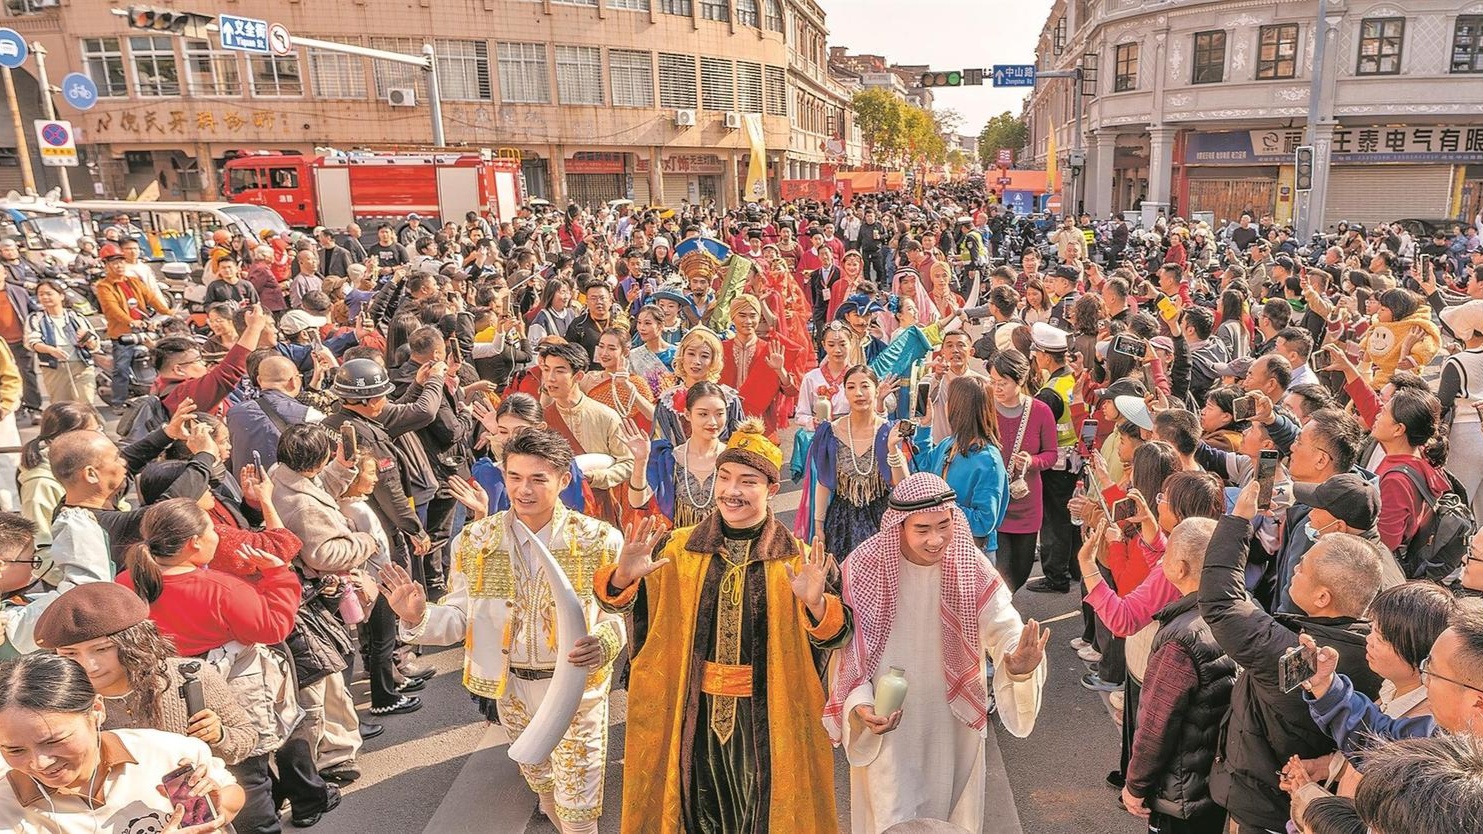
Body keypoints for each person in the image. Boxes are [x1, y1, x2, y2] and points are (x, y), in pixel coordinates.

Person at [594, 419, 850, 833]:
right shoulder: (677, 549)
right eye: (725, 477)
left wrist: (816, 604)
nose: (732, 490)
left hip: (770, 718)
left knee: (763, 815)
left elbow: (839, 636)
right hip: (690, 714)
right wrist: (623, 578)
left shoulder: (801, 560)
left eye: (747, 482)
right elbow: (619, 604)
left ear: (771, 489)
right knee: (693, 812)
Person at [380, 427, 626, 834]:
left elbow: (616, 615)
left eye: (537, 479)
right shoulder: (476, 539)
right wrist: (417, 617)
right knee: (542, 783)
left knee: (579, 805)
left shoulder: (598, 539)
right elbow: (460, 618)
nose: (523, 490)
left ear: (564, 479)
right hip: (510, 688)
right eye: (515, 477)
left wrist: (604, 642)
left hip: (575, 690)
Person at [828, 472, 1047, 833]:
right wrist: (860, 704)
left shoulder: (968, 562)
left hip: (949, 722)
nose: (936, 539)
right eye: (922, 529)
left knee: (947, 817)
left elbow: (1004, 621)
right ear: (899, 526)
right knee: (892, 814)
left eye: (944, 526)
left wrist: (1017, 661)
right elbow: (849, 652)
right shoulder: (864, 566)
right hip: (889, 720)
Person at [1200, 478, 1390, 834]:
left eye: (1304, 567)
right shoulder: (1370, 649)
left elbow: (1222, 603)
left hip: (1263, 803)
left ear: (1323, 598)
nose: (1295, 566)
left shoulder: (1303, 656)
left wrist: (1238, 520)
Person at [0, 652, 245, 834]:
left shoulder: (168, 751)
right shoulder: (5, 806)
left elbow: (231, 792)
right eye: (14, 749)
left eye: (55, 740)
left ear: (97, 710)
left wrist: (213, 810)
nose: (40, 763)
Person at [34, 581, 257, 771]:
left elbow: (247, 737)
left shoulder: (191, 676)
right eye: (70, 654)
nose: (88, 666)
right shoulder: (55, 701)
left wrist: (219, 736)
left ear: (134, 642)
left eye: (102, 649)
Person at [1120, 518, 1236, 834]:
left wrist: (1135, 785)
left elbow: (1157, 724)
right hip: (1216, 780)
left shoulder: (1180, 641)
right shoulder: (1239, 609)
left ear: (1180, 568)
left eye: (1167, 553)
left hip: (1180, 791)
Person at [808, 365, 910, 561]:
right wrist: (818, 526)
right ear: (845, 392)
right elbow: (824, 483)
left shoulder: (890, 431)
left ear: (877, 390)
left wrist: (892, 448)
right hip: (841, 522)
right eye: (851, 387)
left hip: (882, 520)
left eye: (865, 386)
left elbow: (903, 485)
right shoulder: (830, 432)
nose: (858, 393)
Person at [537, 341, 635, 526]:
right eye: (546, 370)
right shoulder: (541, 419)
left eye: (559, 371)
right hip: (553, 510)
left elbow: (628, 462)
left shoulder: (605, 416)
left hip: (597, 507)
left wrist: (597, 477)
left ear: (579, 376)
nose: (550, 378)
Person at [987, 349, 1059, 592]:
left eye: (1003, 382)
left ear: (1020, 380)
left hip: (1027, 501)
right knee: (1000, 572)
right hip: (995, 502)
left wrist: (1032, 461)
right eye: (993, 382)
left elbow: (1051, 454)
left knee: (1021, 569)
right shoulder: (985, 409)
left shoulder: (1040, 411)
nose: (997, 388)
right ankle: (999, 612)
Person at [913, 376, 1008, 555]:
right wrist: (925, 427)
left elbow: (983, 522)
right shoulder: (949, 444)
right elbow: (921, 471)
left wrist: (941, 505)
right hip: (941, 546)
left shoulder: (988, 460)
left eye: (949, 400)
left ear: (958, 408)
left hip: (971, 551)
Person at [719, 294, 798, 438]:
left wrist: (780, 370)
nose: (748, 321)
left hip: (762, 423)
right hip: (725, 422)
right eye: (742, 315)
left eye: (753, 316)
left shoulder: (772, 349)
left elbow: (791, 391)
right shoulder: (720, 349)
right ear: (732, 317)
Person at [652, 328, 745, 445]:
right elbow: (660, 443)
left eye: (704, 356)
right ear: (682, 356)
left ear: (713, 360)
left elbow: (741, 441)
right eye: (691, 354)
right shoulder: (667, 400)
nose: (697, 361)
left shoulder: (728, 399)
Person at [24, 279, 99, 413]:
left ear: (61, 296)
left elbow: (94, 343)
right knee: (62, 408)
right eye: (41, 294)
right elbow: (32, 342)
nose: (45, 297)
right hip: (54, 368)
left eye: (49, 293)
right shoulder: (35, 318)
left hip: (81, 365)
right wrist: (50, 350)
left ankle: (92, 426)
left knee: (86, 405)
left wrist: (87, 339)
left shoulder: (75, 316)